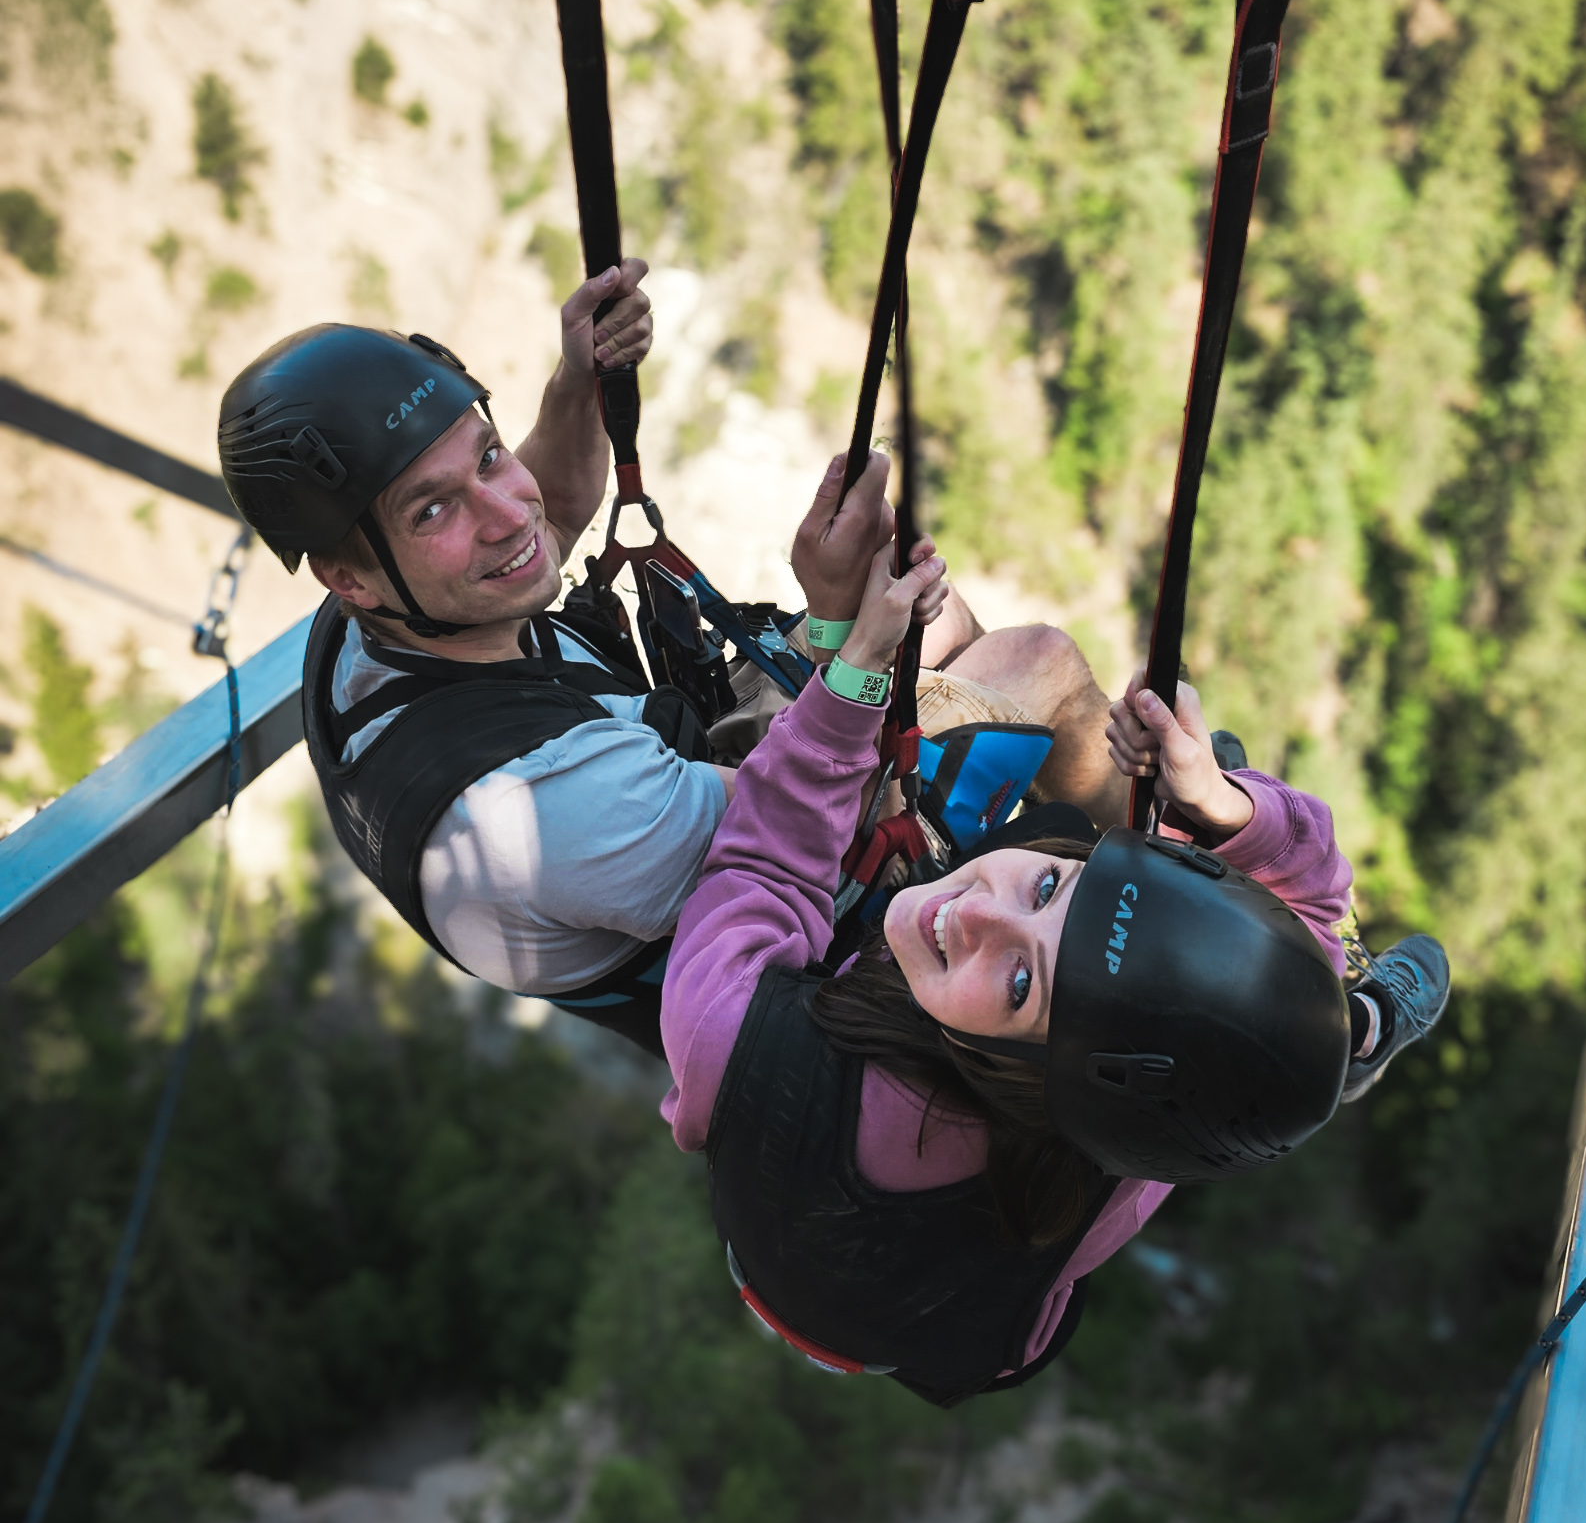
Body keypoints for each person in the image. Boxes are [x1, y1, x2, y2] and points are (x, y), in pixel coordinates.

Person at [217, 271, 1129, 1055]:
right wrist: (839, 623)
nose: (504, 513)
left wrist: (580, 381)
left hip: (690, 792)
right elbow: (811, 827)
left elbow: (549, 514)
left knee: (948, 620)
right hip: (814, 933)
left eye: (488, 455)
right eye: (432, 510)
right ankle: (1151, 839)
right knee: (1034, 661)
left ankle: (1078, 827)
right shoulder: (539, 808)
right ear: (350, 576)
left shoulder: (381, 624)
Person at [662, 517, 1452, 1407]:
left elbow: (766, 858)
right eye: (1043, 894)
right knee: (1216, 1069)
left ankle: (1293, 995)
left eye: (1021, 981)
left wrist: (853, 676)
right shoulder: (1090, 1164)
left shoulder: (729, 1037)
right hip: (966, 1335)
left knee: (1100, 886)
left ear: (1033, 1070)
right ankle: (1348, 1031)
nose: (976, 911)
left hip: (851, 1280)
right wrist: (1220, 809)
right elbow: (1309, 907)